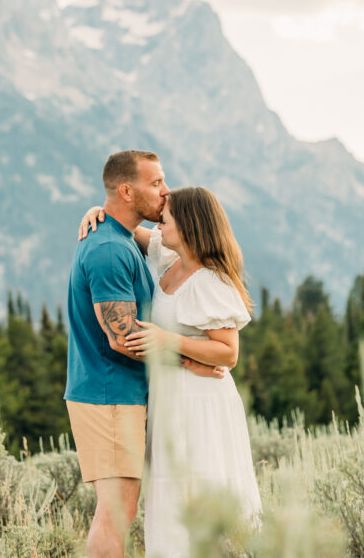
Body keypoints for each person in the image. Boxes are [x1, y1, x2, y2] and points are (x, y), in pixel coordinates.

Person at [79, 186, 263, 558]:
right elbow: (125, 228)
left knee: (198, 484)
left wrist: (168, 342)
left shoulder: (211, 280)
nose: (159, 223)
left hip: (200, 403)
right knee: (171, 492)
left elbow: (228, 353)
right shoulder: (169, 258)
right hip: (171, 399)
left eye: (166, 218)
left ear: (190, 226)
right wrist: (97, 211)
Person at [65, 149, 169, 558]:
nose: (165, 191)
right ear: (127, 190)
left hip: (119, 396)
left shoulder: (120, 238)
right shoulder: (109, 249)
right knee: (116, 513)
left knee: (119, 512)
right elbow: (122, 337)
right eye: (156, 183)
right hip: (108, 396)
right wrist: (192, 359)